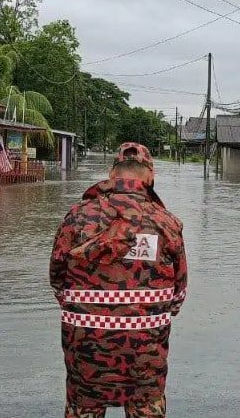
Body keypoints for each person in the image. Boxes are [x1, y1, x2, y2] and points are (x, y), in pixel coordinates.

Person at [50, 142, 188, 418]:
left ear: (112, 174)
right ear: (150, 177)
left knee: (83, 408)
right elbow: (179, 292)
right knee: (146, 408)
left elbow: (57, 278)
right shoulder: (167, 222)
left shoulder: (77, 216)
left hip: (85, 345)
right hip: (145, 349)